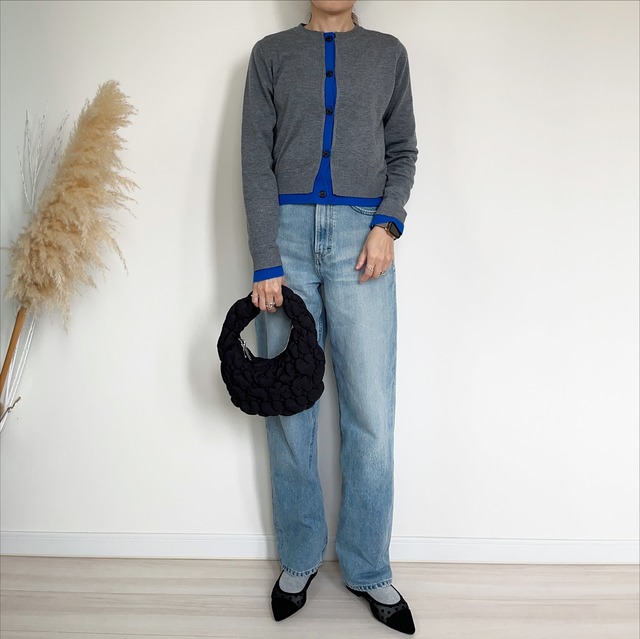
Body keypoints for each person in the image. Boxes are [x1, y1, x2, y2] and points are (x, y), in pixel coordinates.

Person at [241, 0, 418, 634]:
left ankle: (368, 566)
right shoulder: (270, 54)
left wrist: (386, 225)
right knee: (291, 407)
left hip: (362, 240)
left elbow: (403, 150)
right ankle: (299, 558)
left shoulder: (388, 53)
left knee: (370, 411)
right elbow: (255, 160)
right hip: (286, 242)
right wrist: (266, 258)